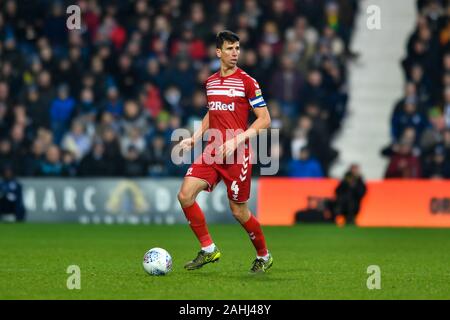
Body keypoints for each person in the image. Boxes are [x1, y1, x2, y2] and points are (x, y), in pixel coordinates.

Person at [176, 31, 273, 273]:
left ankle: (264, 255)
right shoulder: (210, 82)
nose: (235, 53)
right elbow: (213, 112)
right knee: (185, 195)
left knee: (238, 211)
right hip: (212, 150)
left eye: (237, 48)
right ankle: (208, 250)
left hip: (237, 154)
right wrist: (196, 137)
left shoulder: (248, 82)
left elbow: (265, 120)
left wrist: (236, 141)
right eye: (230, 48)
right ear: (218, 52)